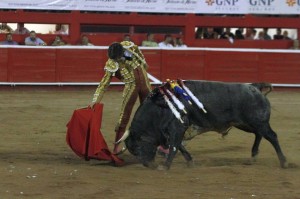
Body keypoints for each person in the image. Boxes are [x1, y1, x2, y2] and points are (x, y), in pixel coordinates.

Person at [90, 41, 152, 154]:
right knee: (124, 116)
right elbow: (103, 84)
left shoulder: (129, 46)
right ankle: (117, 147)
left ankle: (159, 144)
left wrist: (143, 61)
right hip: (131, 87)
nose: (117, 61)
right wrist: (95, 100)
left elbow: (138, 51)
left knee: (152, 113)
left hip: (145, 83)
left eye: (118, 58)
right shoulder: (111, 63)